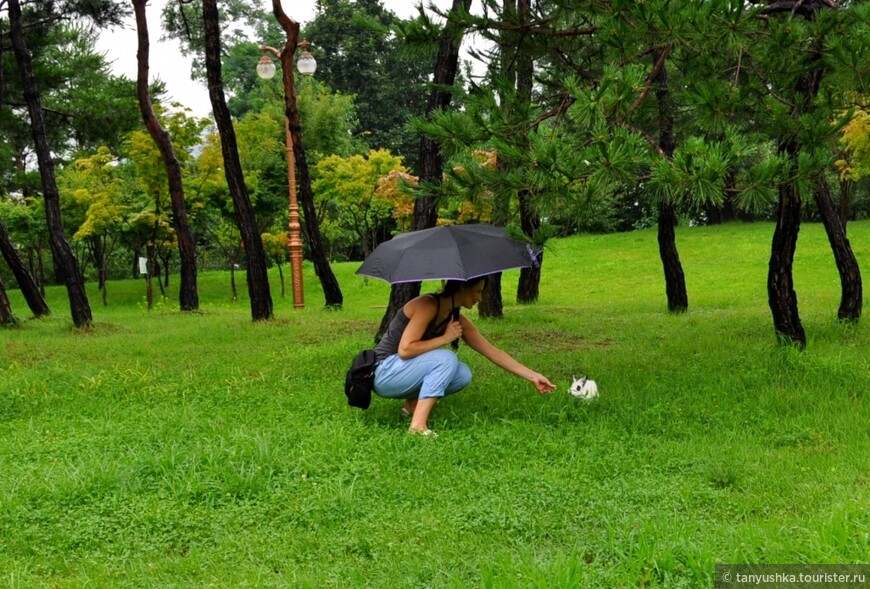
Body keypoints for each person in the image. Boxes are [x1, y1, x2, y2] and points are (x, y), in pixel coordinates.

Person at [373, 276, 556, 435]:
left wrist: (533, 376)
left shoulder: (454, 318)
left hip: (399, 373)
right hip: (383, 372)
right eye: (477, 291)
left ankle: (411, 406)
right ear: (462, 287)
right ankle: (418, 426)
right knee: (447, 359)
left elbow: (492, 352)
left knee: (462, 374)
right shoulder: (427, 305)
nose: (480, 298)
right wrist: (445, 338)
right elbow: (405, 350)